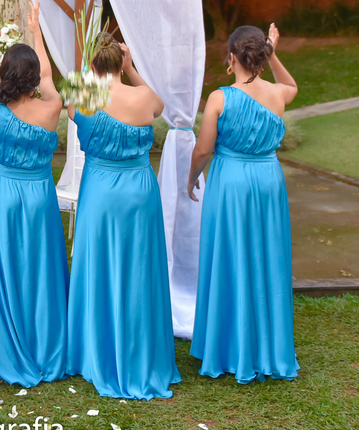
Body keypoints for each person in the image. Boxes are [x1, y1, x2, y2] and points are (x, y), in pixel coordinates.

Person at [65, 33, 181, 399]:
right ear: (120, 62)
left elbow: (73, 97)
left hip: (101, 192)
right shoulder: (143, 97)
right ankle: (141, 350)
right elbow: (159, 105)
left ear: (95, 65)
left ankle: (98, 351)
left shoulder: (85, 97)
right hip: (140, 193)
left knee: (100, 267)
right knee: (139, 269)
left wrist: (91, 70)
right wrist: (131, 69)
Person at [188, 23, 299, 383]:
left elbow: (203, 148)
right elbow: (293, 86)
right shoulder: (278, 95)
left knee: (230, 255)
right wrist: (274, 52)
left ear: (231, 57)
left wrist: (192, 177)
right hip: (268, 181)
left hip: (232, 182)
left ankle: (227, 346)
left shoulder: (220, 98)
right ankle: (265, 344)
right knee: (265, 257)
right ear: (261, 58)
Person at [0, 1, 68, 387]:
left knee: (5, 268)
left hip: (2, 196)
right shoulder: (52, 108)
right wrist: (37, 33)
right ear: (32, 77)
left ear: (5, 75)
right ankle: (45, 345)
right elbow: (48, 76)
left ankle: (8, 344)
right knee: (41, 268)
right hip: (39, 196)